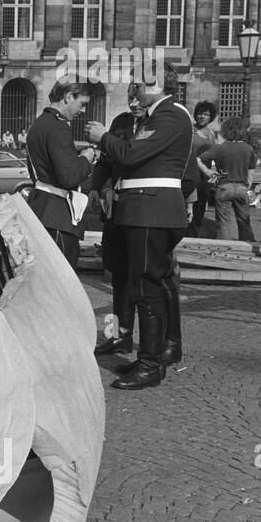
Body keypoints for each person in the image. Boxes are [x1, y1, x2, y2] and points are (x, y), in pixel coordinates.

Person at [86, 73, 193, 391]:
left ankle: (153, 359)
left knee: (150, 286)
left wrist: (104, 137)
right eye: (131, 93)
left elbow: (133, 155)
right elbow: (112, 161)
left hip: (151, 210)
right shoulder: (135, 120)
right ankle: (124, 339)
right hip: (126, 210)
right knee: (126, 279)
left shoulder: (172, 116)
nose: (133, 98)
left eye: (139, 90)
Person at [25, 81, 98, 269]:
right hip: (57, 215)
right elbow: (69, 177)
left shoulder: (40, 124)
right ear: (68, 96)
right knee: (61, 283)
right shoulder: (58, 127)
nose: (82, 111)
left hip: (42, 207)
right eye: (82, 103)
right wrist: (86, 158)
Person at [91, 110, 139, 355]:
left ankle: (142, 339)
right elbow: (104, 163)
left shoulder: (152, 128)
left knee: (136, 283)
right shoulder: (122, 122)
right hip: (114, 214)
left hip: (137, 214)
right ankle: (115, 335)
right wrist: (96, 187)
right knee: (116, 279)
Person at [198, 117, 257, 241]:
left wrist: (209, 172)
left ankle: (224, 248)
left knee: (224, 222)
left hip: (224, 187)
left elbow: (198, 159)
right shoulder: (248, 149)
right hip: (242, 187)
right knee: (244, 221)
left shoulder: (220, 148)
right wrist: (247, 186)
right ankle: (248, 247)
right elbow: (250, 173)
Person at [186, 101, 218, 238]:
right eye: (200, 114)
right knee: (188, 205)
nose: (202, 117)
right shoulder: (190, 130)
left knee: (200, 206)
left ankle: (194, 234)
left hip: (206, 175)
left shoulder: (211, 134)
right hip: (191, 171)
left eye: (206, 114)